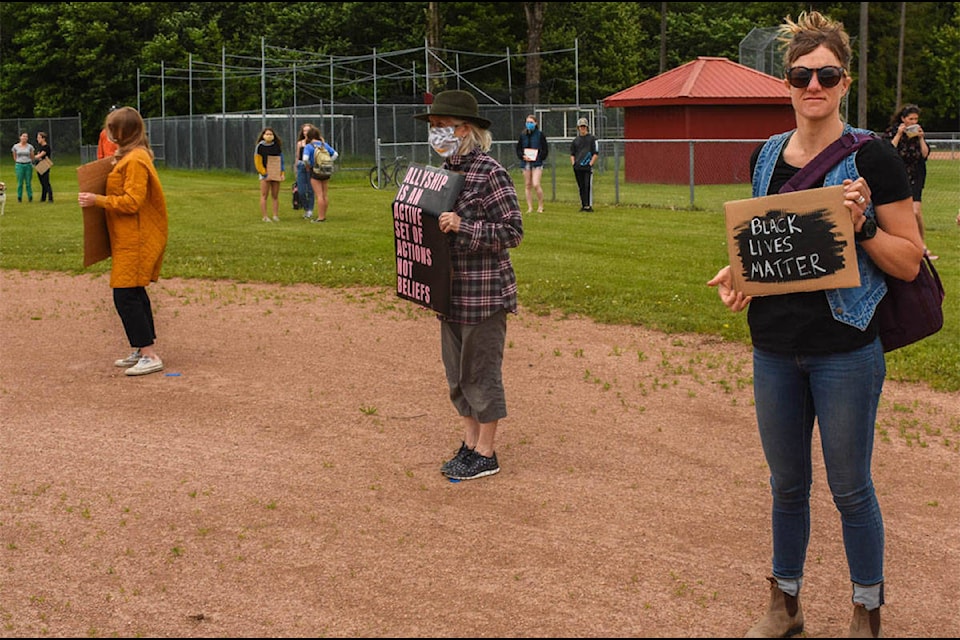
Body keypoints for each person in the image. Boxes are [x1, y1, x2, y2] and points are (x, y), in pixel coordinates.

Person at [707, 11, 922, 639]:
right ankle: (785, 604)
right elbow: (775, 241)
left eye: (826, 74)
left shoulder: (874, 157)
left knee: (851, 489)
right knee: (787, 486)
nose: (813, 86)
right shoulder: (766, 155)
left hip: (846, 348)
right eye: (801, 75)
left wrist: (865, 227)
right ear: (787, 83)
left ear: (845, 80)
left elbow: (908, 261)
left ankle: (866, 610)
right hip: (774, 348)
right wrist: (740, 273)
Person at [412, 89, 523, 481]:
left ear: (466, 130)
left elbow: (513, 231)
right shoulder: (439, 175)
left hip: (484, 293)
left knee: (480, 371)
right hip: (449, 290)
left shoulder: (490, 172)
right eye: (434, 127)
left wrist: (465, 227)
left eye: (442, 126)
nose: (437, 133)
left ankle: (486, 452)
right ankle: (470, 442)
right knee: (456, 374)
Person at [77, 106, 170, 377]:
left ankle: (150, 354)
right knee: (134, 292)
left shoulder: (136, 160)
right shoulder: (129, 157)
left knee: (125, 294)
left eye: (111, 128)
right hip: (127, 237)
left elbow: (132, 202)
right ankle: (142, 349)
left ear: (122, 132)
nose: (107, 133)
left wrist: (98, 200)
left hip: (137, 238)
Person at [882, 104, 935, 259]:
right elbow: (887, 151)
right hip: (898, 175)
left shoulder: (917, 135)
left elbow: (925, 154)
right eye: (910, 119)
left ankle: (922, 245)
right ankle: (903, 244)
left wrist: (921, 138)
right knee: (898, 212)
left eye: (916, 119)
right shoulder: (892, 132)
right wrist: (898, 134)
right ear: (903, 119)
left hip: (916, 175)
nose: (913, 121)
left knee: (916, 211)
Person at [515, 114, 549, 213]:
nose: (529, 124)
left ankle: (540, 205)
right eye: (527, 122)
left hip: (537, 163)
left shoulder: (540, 134)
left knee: (536, 184)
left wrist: (539, 157)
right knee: (527, 185)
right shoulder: (523, 135)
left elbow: (545, 149)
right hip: (525, 163)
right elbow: (519, 149)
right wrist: (522, 156)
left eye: (531, 122)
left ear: (535, 123)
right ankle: (530, 207)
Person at [305, 130, 338, 223]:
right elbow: (335, 154)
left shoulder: (309, 147)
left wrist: (308, 165)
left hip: (315, 171)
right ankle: (324, 214)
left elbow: (305, 159)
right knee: (324, 194)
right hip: (325, 170)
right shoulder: (324, 145)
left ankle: (320, 217)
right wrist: (329, 162)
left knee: (319, 195)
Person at [254, 127, 285, 222]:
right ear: (263, 135)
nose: (269, 136)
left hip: (275, 172)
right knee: (264, 195)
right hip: (264, 174)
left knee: (275, 195)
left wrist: (281, 173)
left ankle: (275, 215)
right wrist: (264, 173)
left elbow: (281, 160)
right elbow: (257, 161)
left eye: (271, 134)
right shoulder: (260, 146)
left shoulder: (277, 146)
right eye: (267, 134)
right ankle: (265, 216)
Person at [570, 117, 598, 211]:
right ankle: (583, 204)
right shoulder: (575, 141)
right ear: (578, 128)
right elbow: (572, 154)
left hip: (587, 166)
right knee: (581, 186)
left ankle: (588, 205)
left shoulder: (592, 139)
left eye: (584, 126)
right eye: (581, 127)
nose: (582, 128)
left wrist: (590, 164)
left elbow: (595, 153)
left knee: (587, 185)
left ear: (587, 127)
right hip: (578, 167)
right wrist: (574, 164)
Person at [295, 123, 316, 220]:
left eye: (308, 130)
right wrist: (296, 168)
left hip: (311, 167)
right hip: (301, 166)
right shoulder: (300, 143)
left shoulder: (316, 143)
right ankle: (306, 208)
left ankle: (310, 210)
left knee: (311, 190)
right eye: (304, 131)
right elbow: (297, 156)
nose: (306, 132)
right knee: (301, 191)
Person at [10, 131, 35, 203]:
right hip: (19, 165)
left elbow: (32, 156)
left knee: (28, 182)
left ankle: (30, 197)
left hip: (28, 165)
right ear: (20, 137)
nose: (25, 138)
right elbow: (14, 156)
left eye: (26, 136)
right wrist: (18, 162)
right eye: (23, 136)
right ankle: (19, 197)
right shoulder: (15, 146)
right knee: (20, 182)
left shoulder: (30, 146)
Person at [34, 131, 53, 203]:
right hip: (39, 165)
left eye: (39, 137)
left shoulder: (46, 147)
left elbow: (40, 155)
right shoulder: (41, 147)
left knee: (46, 182)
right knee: (42, 182)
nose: (37, 139)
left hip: (44, 165)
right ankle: (43, 198)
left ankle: (50, 198)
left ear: (43, 138)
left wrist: (31, 156)